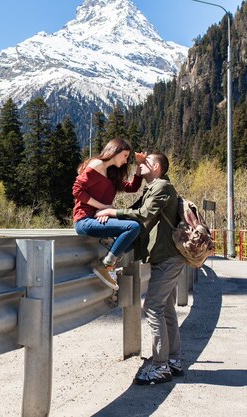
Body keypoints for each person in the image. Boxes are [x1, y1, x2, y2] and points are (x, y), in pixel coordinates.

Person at [96, 152, 185, 385]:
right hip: (164, 257)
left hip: (168, 258)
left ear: (155, 167)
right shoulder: (152, 188)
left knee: (153, 307)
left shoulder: (163, 188)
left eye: (143, 164)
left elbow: (143, 215)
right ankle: (172, 360)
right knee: (165, 308)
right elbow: (135, 211)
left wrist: (112, 213)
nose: (139, 165)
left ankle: (160, 366)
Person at [72, 138, 145, 290]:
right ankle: (106, 265)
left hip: (97, 219)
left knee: (142, 231)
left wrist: (140, 166)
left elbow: (132, 187)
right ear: (115, 151)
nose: (126, 161)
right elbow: (77, 191)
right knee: (133, 227)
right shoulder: (97, 165)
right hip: (84, 220)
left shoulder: (112, 175)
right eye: (125, 156)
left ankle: (110, 260)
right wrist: (103, 208)